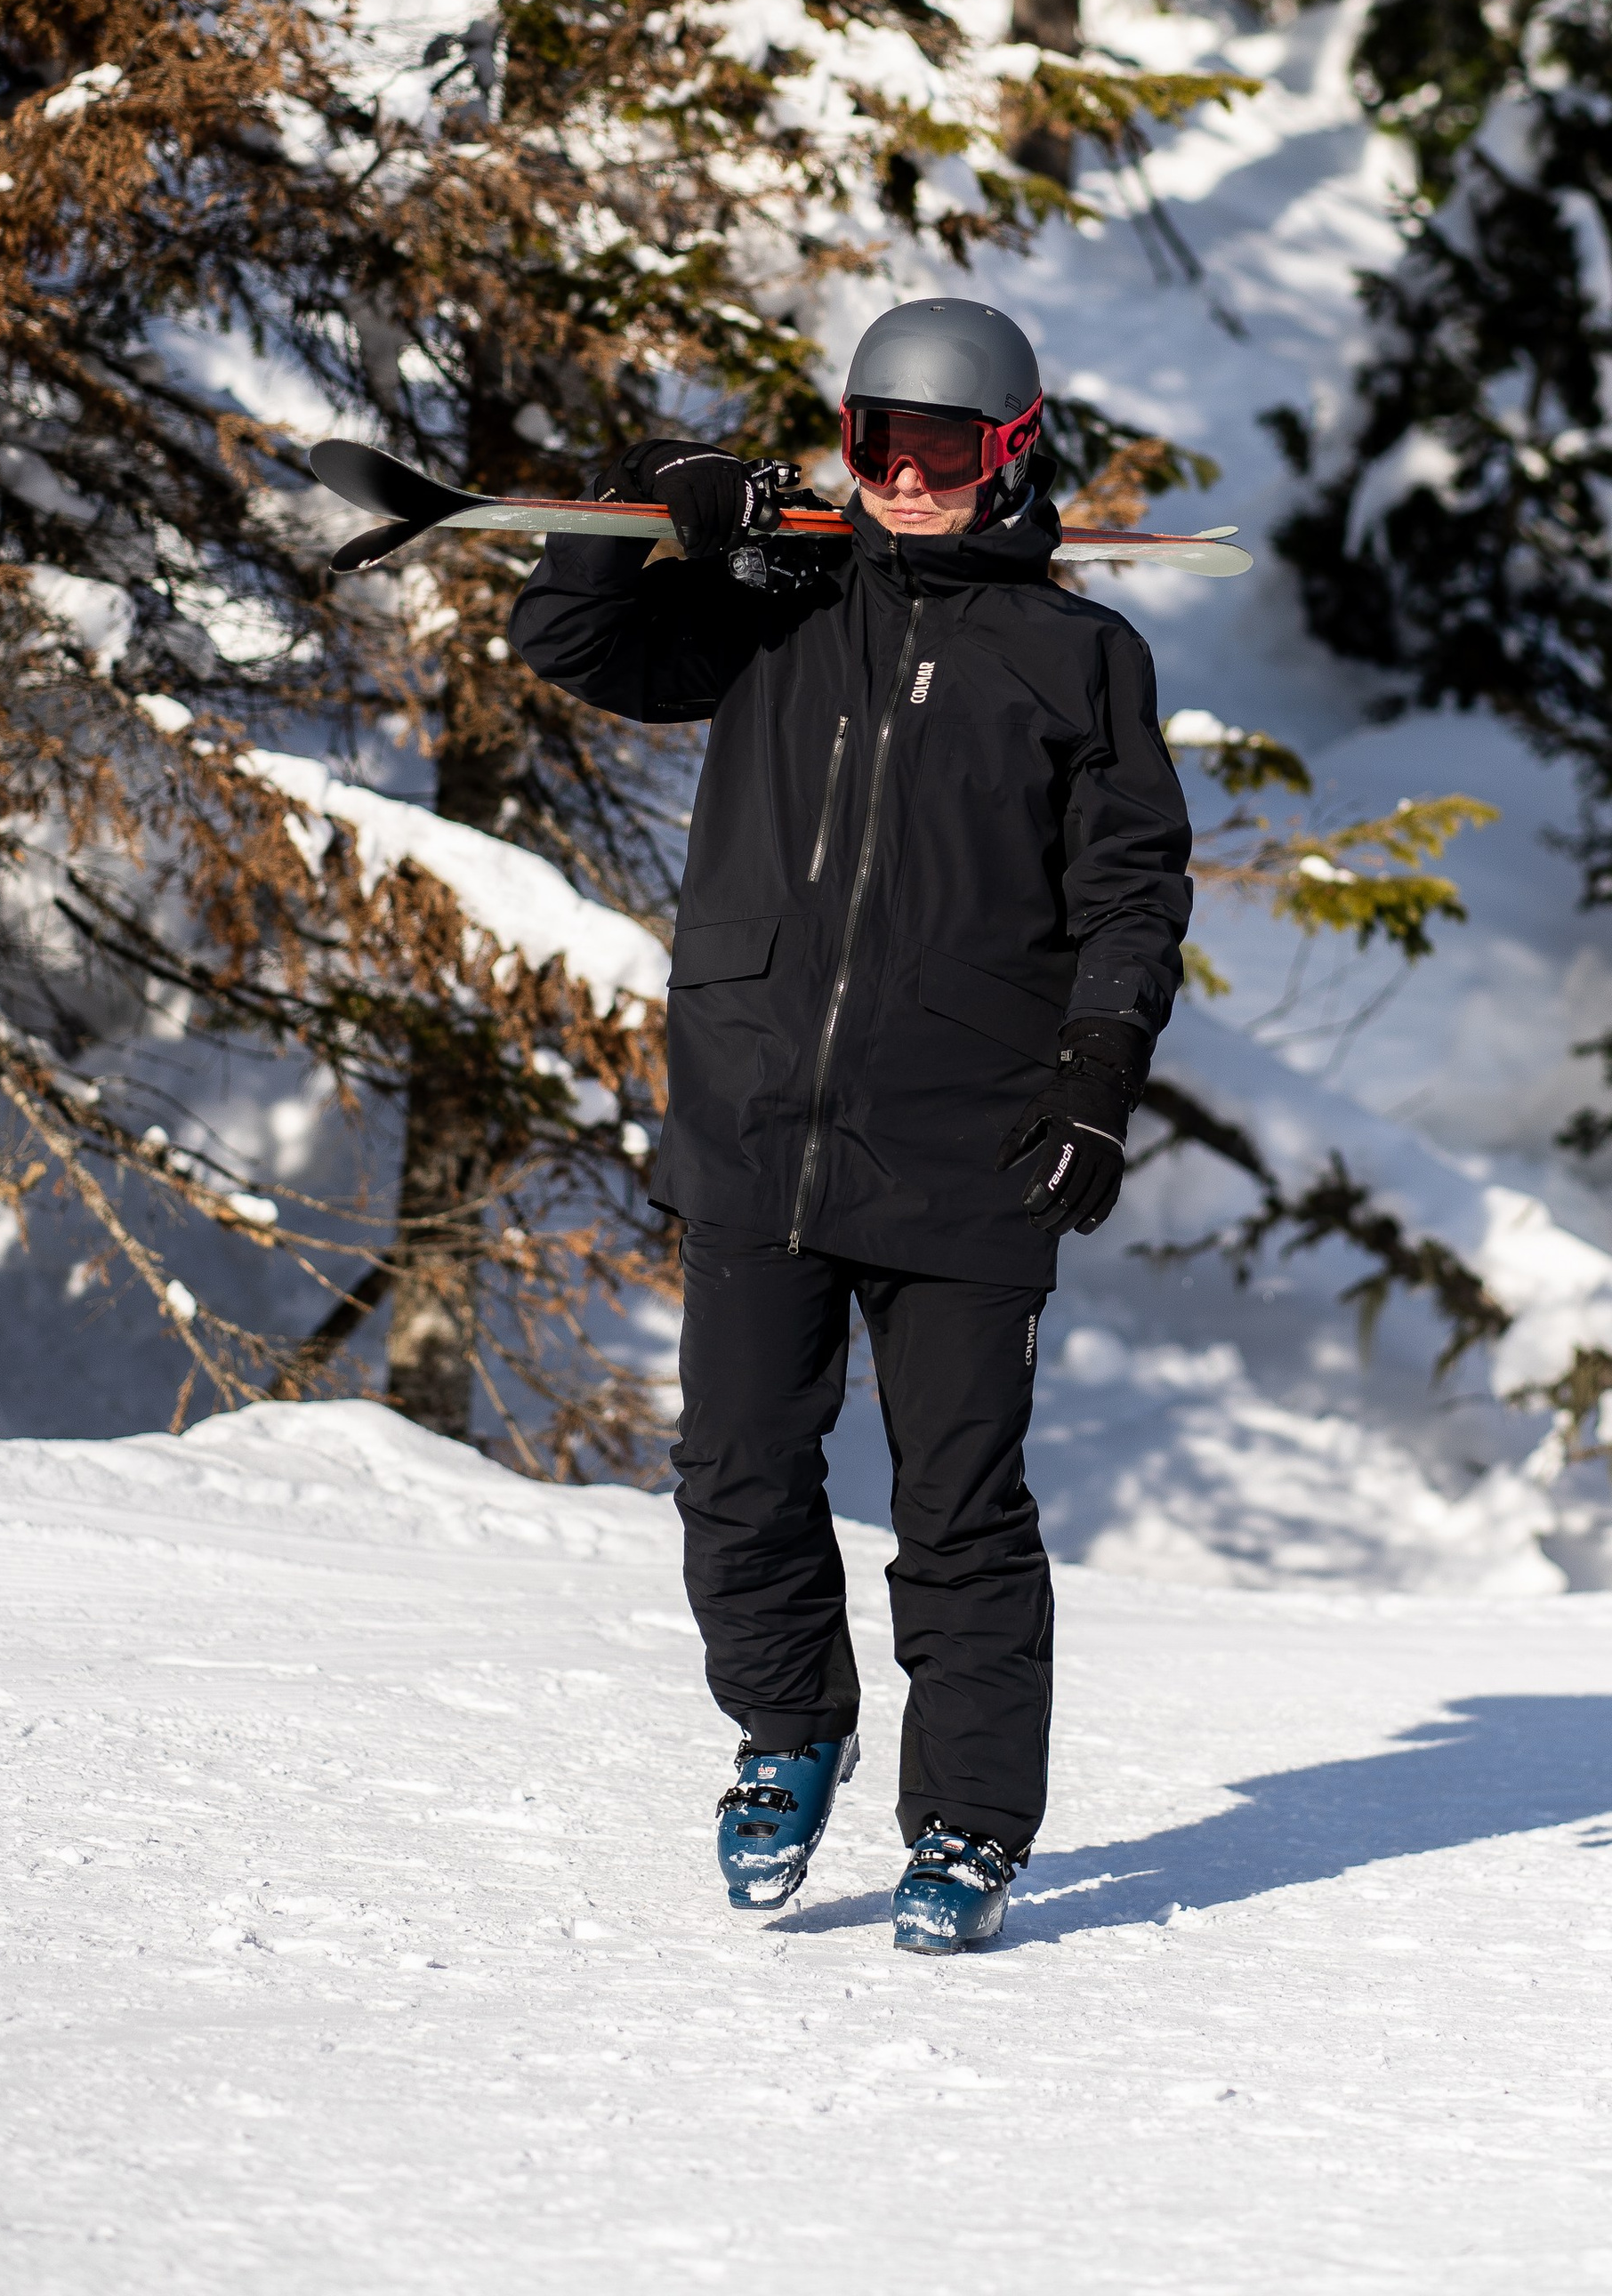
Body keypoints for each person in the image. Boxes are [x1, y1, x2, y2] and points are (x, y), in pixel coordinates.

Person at [509, 297, 1191, 1952]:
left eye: (942, 449)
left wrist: (1098, 1078)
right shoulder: (776, 607)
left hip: (972, 1145)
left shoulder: (1077, 655)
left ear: (1011, 450)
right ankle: (787, 1730)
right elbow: (578, 645)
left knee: (959, 1509)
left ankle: (966, 1827)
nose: (902, 477)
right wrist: (655, 502)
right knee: (735, 1471)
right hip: (758, 1120)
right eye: (876, 442)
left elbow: (1131, 886)